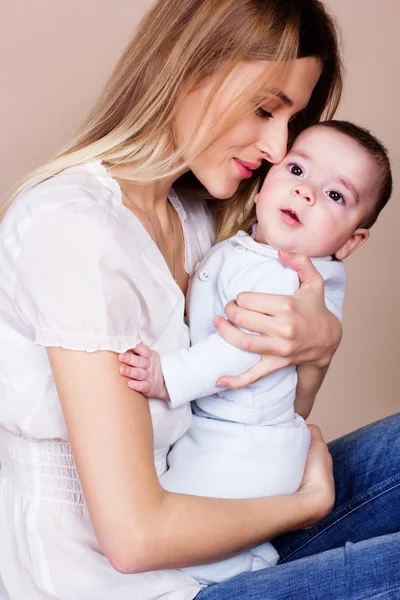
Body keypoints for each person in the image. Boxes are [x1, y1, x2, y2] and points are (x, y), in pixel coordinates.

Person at [0, 0, 398, 599]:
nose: (275, 147)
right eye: (266, 109)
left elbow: (266, 407)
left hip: (213, 531)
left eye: (289, 124)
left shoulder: (194, 220)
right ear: (189, 68)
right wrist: (305, 505)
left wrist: (317, 350)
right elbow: (134, 539)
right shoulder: (74, 228)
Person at [117, 120, 392, 584]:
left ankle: (234, 573)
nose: (306, 193)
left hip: (242, 445)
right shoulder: (255, 248)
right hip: (247, 436)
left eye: (335, 196)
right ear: (265, 184)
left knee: (195, 512)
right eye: (298, 170)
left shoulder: (289, 278)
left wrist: (170, 375)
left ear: (350, 241)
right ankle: (248, 563)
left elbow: (240, 347)